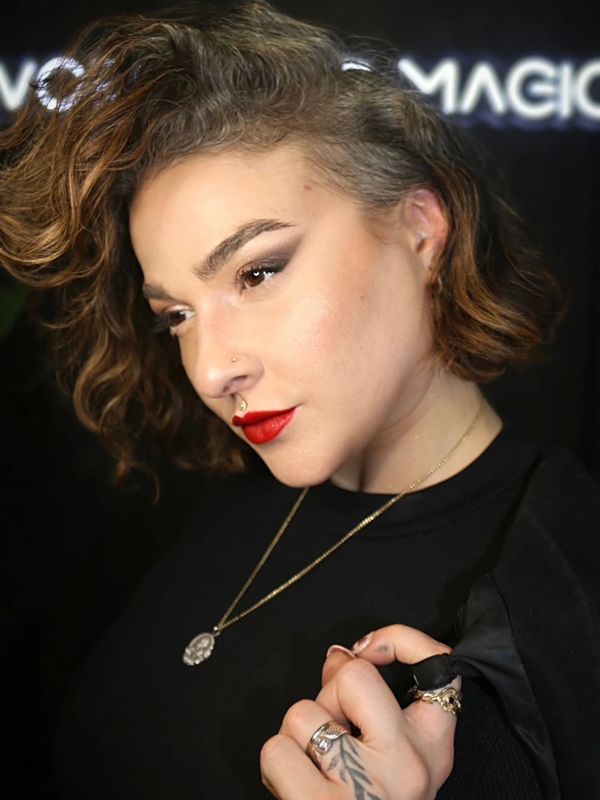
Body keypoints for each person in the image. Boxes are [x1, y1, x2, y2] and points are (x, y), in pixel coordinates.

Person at [0, 1, 599, 797]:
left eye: (257, 272)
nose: (211, 369)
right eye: (175, 315)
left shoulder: (556, 607)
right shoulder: (191, 490)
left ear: (421, 229)